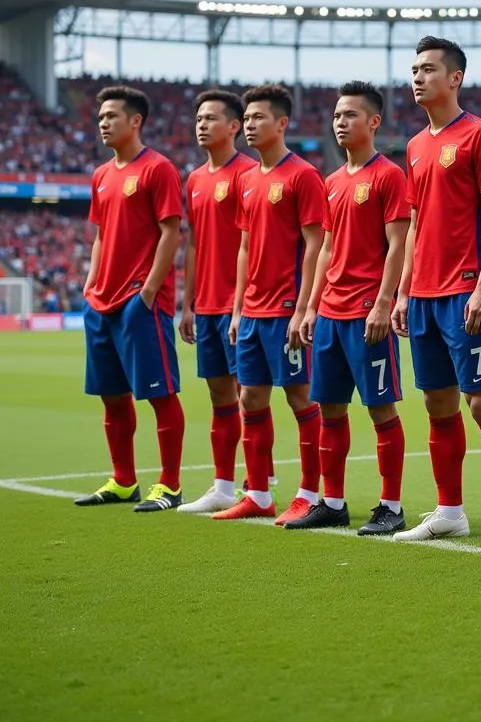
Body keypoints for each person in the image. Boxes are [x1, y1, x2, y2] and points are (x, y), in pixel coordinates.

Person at [391, 36, 481, 554]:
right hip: (423, 292)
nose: (418, 77)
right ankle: (450, 511)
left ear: (455, 78)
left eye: (428, 69)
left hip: (463, 291)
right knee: (436, 404)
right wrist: (404, 292)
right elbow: (415, 223)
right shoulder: (413, 145)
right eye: (414, 69)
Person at [289, 82, 410, 534]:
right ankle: (333, 502)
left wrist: (384, 301)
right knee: (331, 408)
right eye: (337, 116)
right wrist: (309, 308)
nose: (341, 123)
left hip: (366, 314)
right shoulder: (332, 182)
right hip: (330, 315)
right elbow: (325, 249)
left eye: (351, 116)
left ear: (373, 122)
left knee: (381, 411)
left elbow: (398, 244)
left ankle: (391, 506)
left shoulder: (388, 176)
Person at [211, 85, 325, 525]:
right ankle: (257, 493)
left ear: (282, 123)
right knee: (250, 398)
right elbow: (244, 247)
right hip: (253, 312)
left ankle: (310, 493)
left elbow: (316, 245)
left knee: (301, 399)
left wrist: (303, 307)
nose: (252, 125)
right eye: (248, 117)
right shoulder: (246, 179)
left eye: (259, 117)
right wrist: (238, 309)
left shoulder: (303, 176)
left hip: (285, 310)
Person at [74, 85, 186, 512]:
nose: (103, 122)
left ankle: (170, 486)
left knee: (159, 394)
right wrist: (89, 284)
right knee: (112, 395)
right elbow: (101, 234)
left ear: (135, 121)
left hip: (139, 302)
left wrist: (149, 292)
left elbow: (171, 232)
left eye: (111, 116)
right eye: (100, 116)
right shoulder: (102, 175)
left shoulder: (158, 169)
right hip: (100, 300)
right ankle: (123, 481)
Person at [177, 90, 252, 514]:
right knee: (219, 395)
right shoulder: (194, 179)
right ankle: (223, 484)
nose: (201, 125)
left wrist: (243, 302)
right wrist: (187, 304)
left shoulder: (247, 173)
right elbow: (193, 244)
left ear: (234, 126)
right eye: (198, 118)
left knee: (249, 396)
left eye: (210, 118)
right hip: (205, 304)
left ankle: (256, 480)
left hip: (239, 303)